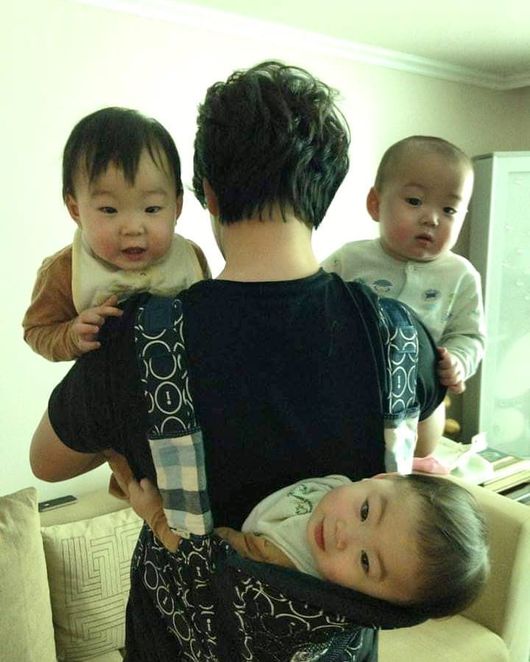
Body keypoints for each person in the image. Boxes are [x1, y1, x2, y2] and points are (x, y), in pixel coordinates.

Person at [30, 62, 447, 659]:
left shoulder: (136, 337)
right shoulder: (399, 333)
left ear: (207, 194)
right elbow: (423, 441)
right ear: (326, 195)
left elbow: (45, 462)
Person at [117, 468, 489, 613]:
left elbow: (202, 557)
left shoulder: (284, 567)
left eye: (365, 561)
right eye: (364, 512)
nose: (344, 535)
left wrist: (155, 515)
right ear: (384, 477)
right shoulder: (342, 481)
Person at [22, 106, 210, 362]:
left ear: (177, 206)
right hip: (107, 385)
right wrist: (71, 335)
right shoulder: (66, 270)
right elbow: (37, 330)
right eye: (109, 210)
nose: (133, 228)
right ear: (75, 210)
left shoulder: (190, 258)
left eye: (152, 209)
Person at [322, 136, 486, 395]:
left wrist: (457, 360)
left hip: (418, 394)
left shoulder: (461, 275)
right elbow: (313, 304)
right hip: (352, 387)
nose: (432, 219)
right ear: (375, 204)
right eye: (414, 201)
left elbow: (470, 336)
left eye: (449, 210)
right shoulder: (347, 260)